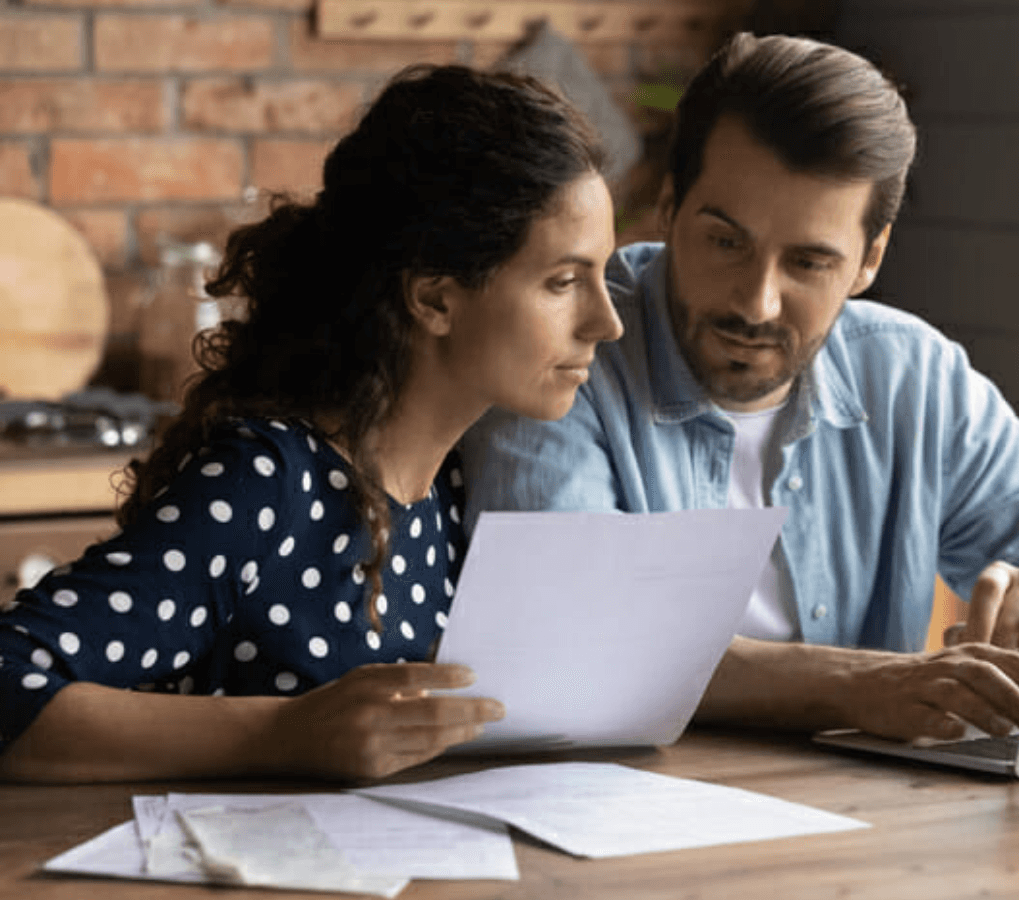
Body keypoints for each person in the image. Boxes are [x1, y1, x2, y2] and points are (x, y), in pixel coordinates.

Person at [0, 64, 623, 783]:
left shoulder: (460, 482)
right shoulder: (267, 485)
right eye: (564, 282)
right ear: (435, 299)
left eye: (602, 276)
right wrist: (283, 730)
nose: (604, 323)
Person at [458, 32, 1019, 744]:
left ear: (868, 261)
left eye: (810, 263)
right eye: (726, 242)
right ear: (668, 206)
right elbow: (573, 640)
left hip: (871, 821)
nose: (756, 302)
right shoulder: (568, 356)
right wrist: (861, 688)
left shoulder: (917, 378)